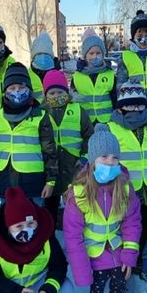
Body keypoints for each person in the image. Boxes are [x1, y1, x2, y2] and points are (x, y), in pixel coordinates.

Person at [63, 124, 142, 293]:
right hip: (93, 250)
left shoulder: (124, 186)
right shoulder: (79, 193)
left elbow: (132, 222)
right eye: (104, 157)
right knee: (98, 279)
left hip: (116, 245)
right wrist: (81, 270)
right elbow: (72, 236)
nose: (110, 162)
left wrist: (129, 253)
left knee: (120, 276)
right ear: (92, 160)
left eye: (115, 157)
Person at [108, 80, 147, 270]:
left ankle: (144, 261)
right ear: (120, 108)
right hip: (125, 191)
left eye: (139, 105)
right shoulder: (110, 128)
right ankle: (126, 262)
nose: (135, 109)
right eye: (130, 105)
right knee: (127, 229)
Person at [0, 62, 58, 207]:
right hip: (4, 181)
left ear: (29, 89)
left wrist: (50, 181)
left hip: (33, 183)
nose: (17, 91)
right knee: (9, 222)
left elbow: (50, 151)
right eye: (12, 88)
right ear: (5, 91)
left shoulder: (40, 116)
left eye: (22, 87)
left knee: (34, 221)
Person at [42, 69, 94, 225]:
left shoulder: (78, 111)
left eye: (59, 92)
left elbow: (89, 136)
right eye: (51, 93)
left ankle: (75, 229)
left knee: (75, 201)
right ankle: (51, 231)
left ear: (67, 91)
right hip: (50, 167)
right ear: (45, 95)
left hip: (73, 165)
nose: (56, 96)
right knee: (49, 203)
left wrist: (84, 156)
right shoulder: (41, 112)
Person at [71, 28, 117, 124]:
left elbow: (115, 98)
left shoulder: (110, 74)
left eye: (98, 53)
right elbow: (73, 99)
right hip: (86, 122)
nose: (95, 56)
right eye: (91, 53)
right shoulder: (77, 76)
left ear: (103, 54)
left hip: (108, 120)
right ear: (85, 55)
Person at [29, 32, 60, 100]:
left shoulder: (58, 75)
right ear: (33, 57)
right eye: (39, 54)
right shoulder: (27, 75)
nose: (43, 58)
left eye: (46, 55)